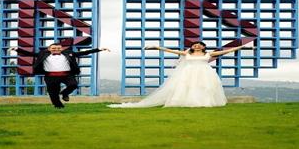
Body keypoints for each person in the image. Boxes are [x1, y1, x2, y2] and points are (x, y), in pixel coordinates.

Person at [108, 41, 253, 108]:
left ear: (203, 47)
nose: (196, 46)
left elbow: (227, 51)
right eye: (195, 44)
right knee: (186, 88)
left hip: (204, 72)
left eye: (199, 44)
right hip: (189, 72)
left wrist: (243, 46)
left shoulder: (209, 53)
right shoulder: (186, 53)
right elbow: (170, 51)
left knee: (204, 88)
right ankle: (183, 102)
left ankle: (204, 102)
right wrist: (156, 46)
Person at [9, 43, 110, 108]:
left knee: (73, 85)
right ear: (49, 49)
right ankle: (59, 107)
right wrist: (16, 49)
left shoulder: (69, 53)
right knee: (53, 93)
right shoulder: (42, 54)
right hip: (50, 76)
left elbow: (84, 52)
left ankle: (65, 93)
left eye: (58, 48)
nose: (56, 49)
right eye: (53, 48)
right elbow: (29, 54)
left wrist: (100, 49)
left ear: (61, 48)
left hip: (67, 74)